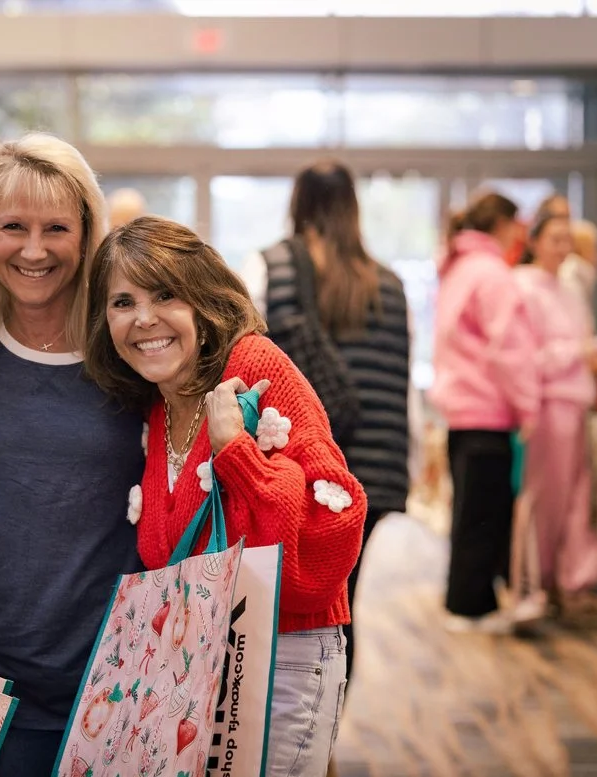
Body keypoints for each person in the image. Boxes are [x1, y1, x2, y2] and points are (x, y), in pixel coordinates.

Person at [84, 215, 367, 777]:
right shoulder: (159, 403)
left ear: (201, 299)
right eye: (122, 302)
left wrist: (237, 453)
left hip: (279, 661)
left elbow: (333, 529)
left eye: (164, 294)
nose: (144, 319)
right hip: (198, 667)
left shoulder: (252, 369)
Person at [0, 133, 144, 775]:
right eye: (13, 227)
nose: (34, 250)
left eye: (56, 227)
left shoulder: (133, 349)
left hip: (122, 675)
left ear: (88, 233)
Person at [240, 160, 411, 684]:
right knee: (341, 606)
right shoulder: (390, 284)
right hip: (372, 473)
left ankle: (275, 736)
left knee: (275, 605)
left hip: (296, 469)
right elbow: (398, 386)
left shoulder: (270, 266)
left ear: (298, 202)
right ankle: (325, 738)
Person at [429, 192, 539, 633]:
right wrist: (527, 405)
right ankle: (469, 607)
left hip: (462, 412)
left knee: (471, 513)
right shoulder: (491, 273)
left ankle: (471, 602)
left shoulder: (458, 268)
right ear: (504, 224)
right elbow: (509, 349)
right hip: (487, 411)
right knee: (482, 515)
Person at [514, 213, 597, 615]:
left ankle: (565, 583)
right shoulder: (524, 288)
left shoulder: (567, 291)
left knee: (574, 500)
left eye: (568, 239)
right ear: (535, 241)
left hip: (576, 402)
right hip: (548, 405)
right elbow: (527, 357)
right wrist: (575, 353)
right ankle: (530, 586)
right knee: (542, 500)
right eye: (555, 238)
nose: (563, 248)